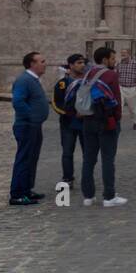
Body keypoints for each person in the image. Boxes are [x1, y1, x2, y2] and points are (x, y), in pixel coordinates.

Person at [72, 47, 126, 207]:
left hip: (88, 120)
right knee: (108, 159)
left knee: (88, 159)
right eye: (112, 58)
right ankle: (109, 197)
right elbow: (116, 99)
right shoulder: (111, 75)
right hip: (106, 121)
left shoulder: (87, 74)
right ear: (104, 60)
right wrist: (117, 119)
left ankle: (88, 196)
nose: (114, 61)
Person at [9, 52, 49, 206]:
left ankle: (26, 189)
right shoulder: (24, 80)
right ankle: (17, 194)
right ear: (32, 64)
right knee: (24, 159)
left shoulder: (33, 80)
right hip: (27, 126)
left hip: (34, 125)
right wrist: (31, 117)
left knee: (32, 158)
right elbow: (18, 102)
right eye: (42, 61)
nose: (45, 63)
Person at [52, 53, 87, 189]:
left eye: (83, 62)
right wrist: (70, 114)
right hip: (68, 123)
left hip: (85, 123)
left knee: (88, 152)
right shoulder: (62, 84)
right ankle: (67, 177)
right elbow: (56, 103)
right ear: (71, 65)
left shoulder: (88, 81)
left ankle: (87, 176)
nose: (82, 65)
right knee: (67, 152)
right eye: (79, 63)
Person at [116, 49, 136, 131]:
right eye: (122, 53)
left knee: (132, 108)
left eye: (124, 53)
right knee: (120, 106)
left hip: (131, 88)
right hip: (121, 87)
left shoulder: (134, 63)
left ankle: (135, 122)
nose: (123, 55)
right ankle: (118, 123)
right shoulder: (119, 64)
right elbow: (116, 74)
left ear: (129, 54)